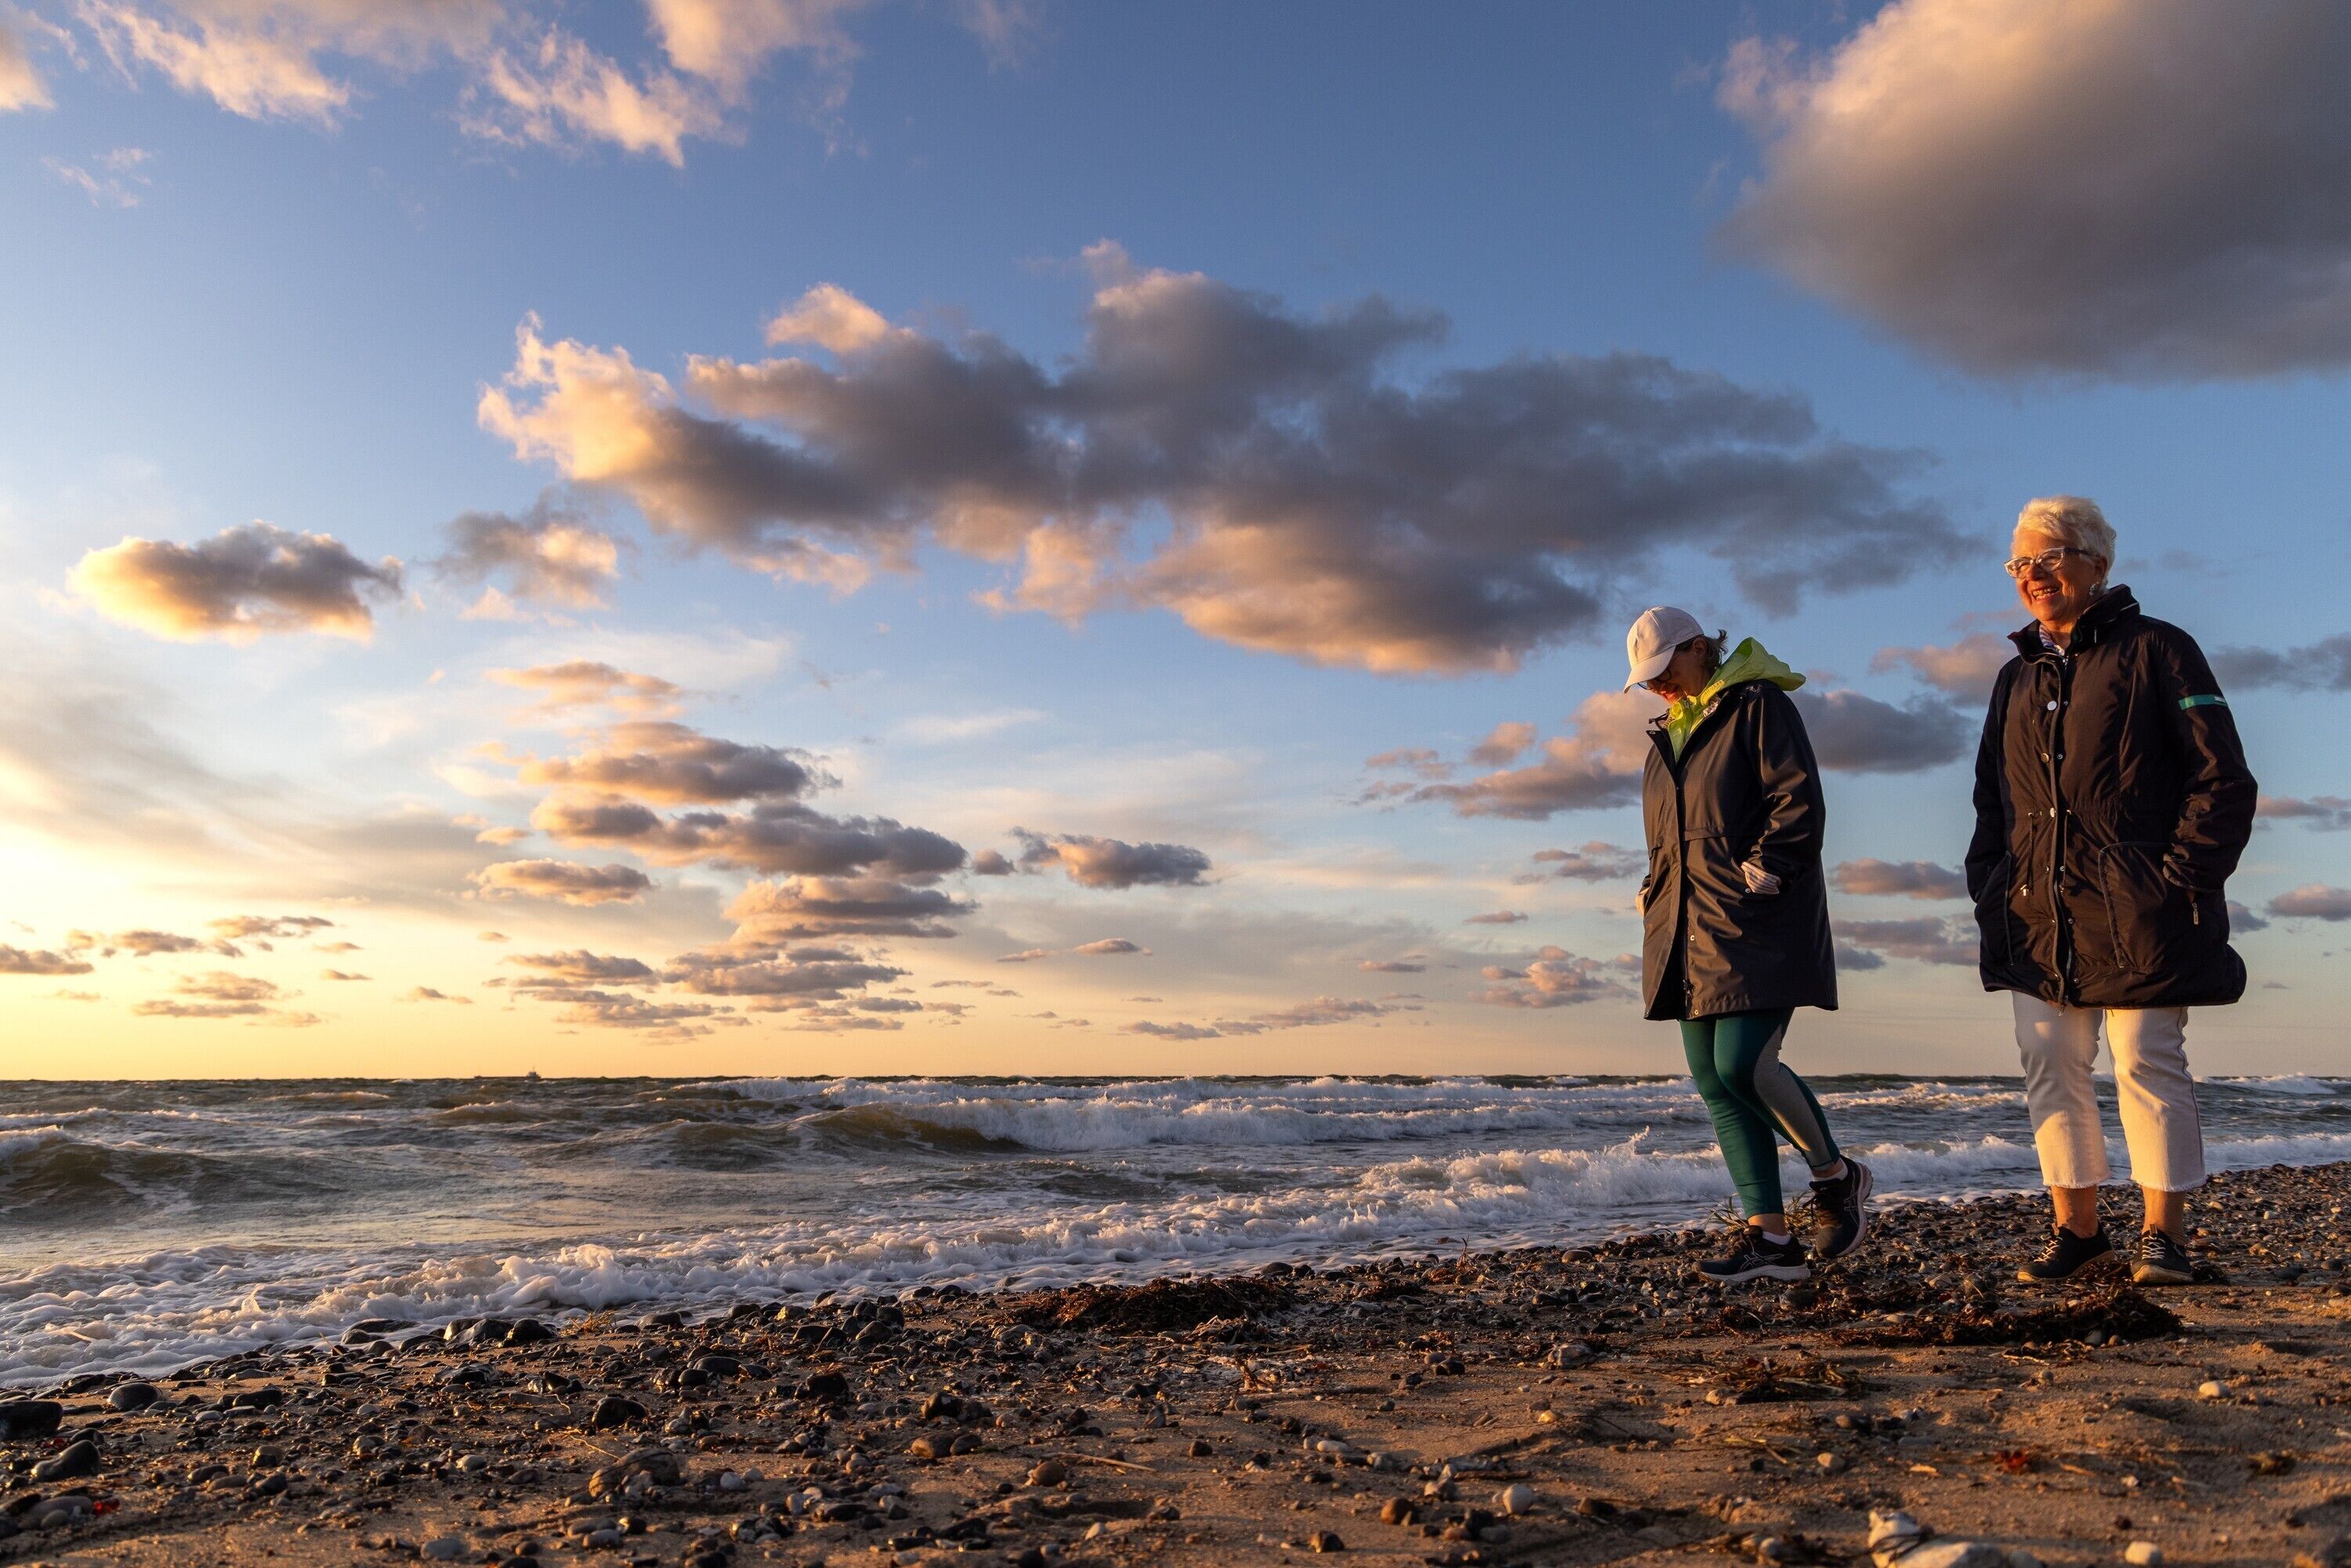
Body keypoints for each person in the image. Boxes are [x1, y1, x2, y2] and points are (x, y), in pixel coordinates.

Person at [1965, 497, 2256, 1287]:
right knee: (2050, 1063)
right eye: (2020, 563)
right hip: (2037, 910)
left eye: (2050, 557)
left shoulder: (2161, 650)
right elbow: (1992, 801)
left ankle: (2164, 1237)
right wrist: (1995, 887)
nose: (2034, 575)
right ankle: (2079, 1232)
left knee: (2145, 1056)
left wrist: (2179, 881)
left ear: (2096, 563)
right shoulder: (2013, 677)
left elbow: (2223, 780)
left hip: (2142, 908)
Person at [1628, 606, 1871, 1284]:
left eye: (1664, 670)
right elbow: (1670, 836)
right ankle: (1770, 1236)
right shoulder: (1666, 736)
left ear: (1699, 649)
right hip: (1684, 924)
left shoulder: (1756, 705)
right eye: (1646, 680)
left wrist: (1768, 866)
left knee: (1745, 1063)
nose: (1657, 686)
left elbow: (1796, 798)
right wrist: (1654, 886)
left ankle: (1836, 1178)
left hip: (1755, 916)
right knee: (1713, 1079)